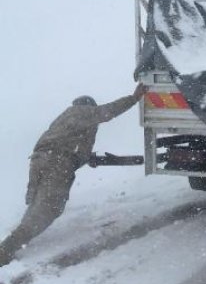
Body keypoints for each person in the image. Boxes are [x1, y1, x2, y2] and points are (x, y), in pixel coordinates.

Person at [0, 84, 146, 267]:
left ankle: (19, 238)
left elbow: (71, 144)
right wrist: (133, 98)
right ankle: (5, 251)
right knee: (48, 210)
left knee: (37, 203)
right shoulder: (82, 112)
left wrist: (85, 158)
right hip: (57, 163)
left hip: (39, 160)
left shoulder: (64, 118)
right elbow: (109, 111)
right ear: (88, 106)